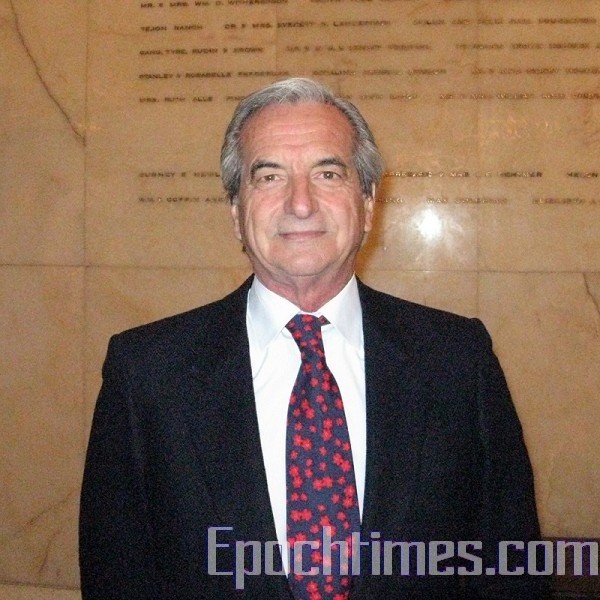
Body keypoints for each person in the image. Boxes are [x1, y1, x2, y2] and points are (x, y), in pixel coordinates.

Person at [80, 78, 548, 599]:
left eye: (328, 174)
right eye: (269, 176)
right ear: (236, 211)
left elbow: (512, 570)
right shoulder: (146, 372)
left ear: (367, 204)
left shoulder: (457, 360)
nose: (300, 204)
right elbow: (116, 576)